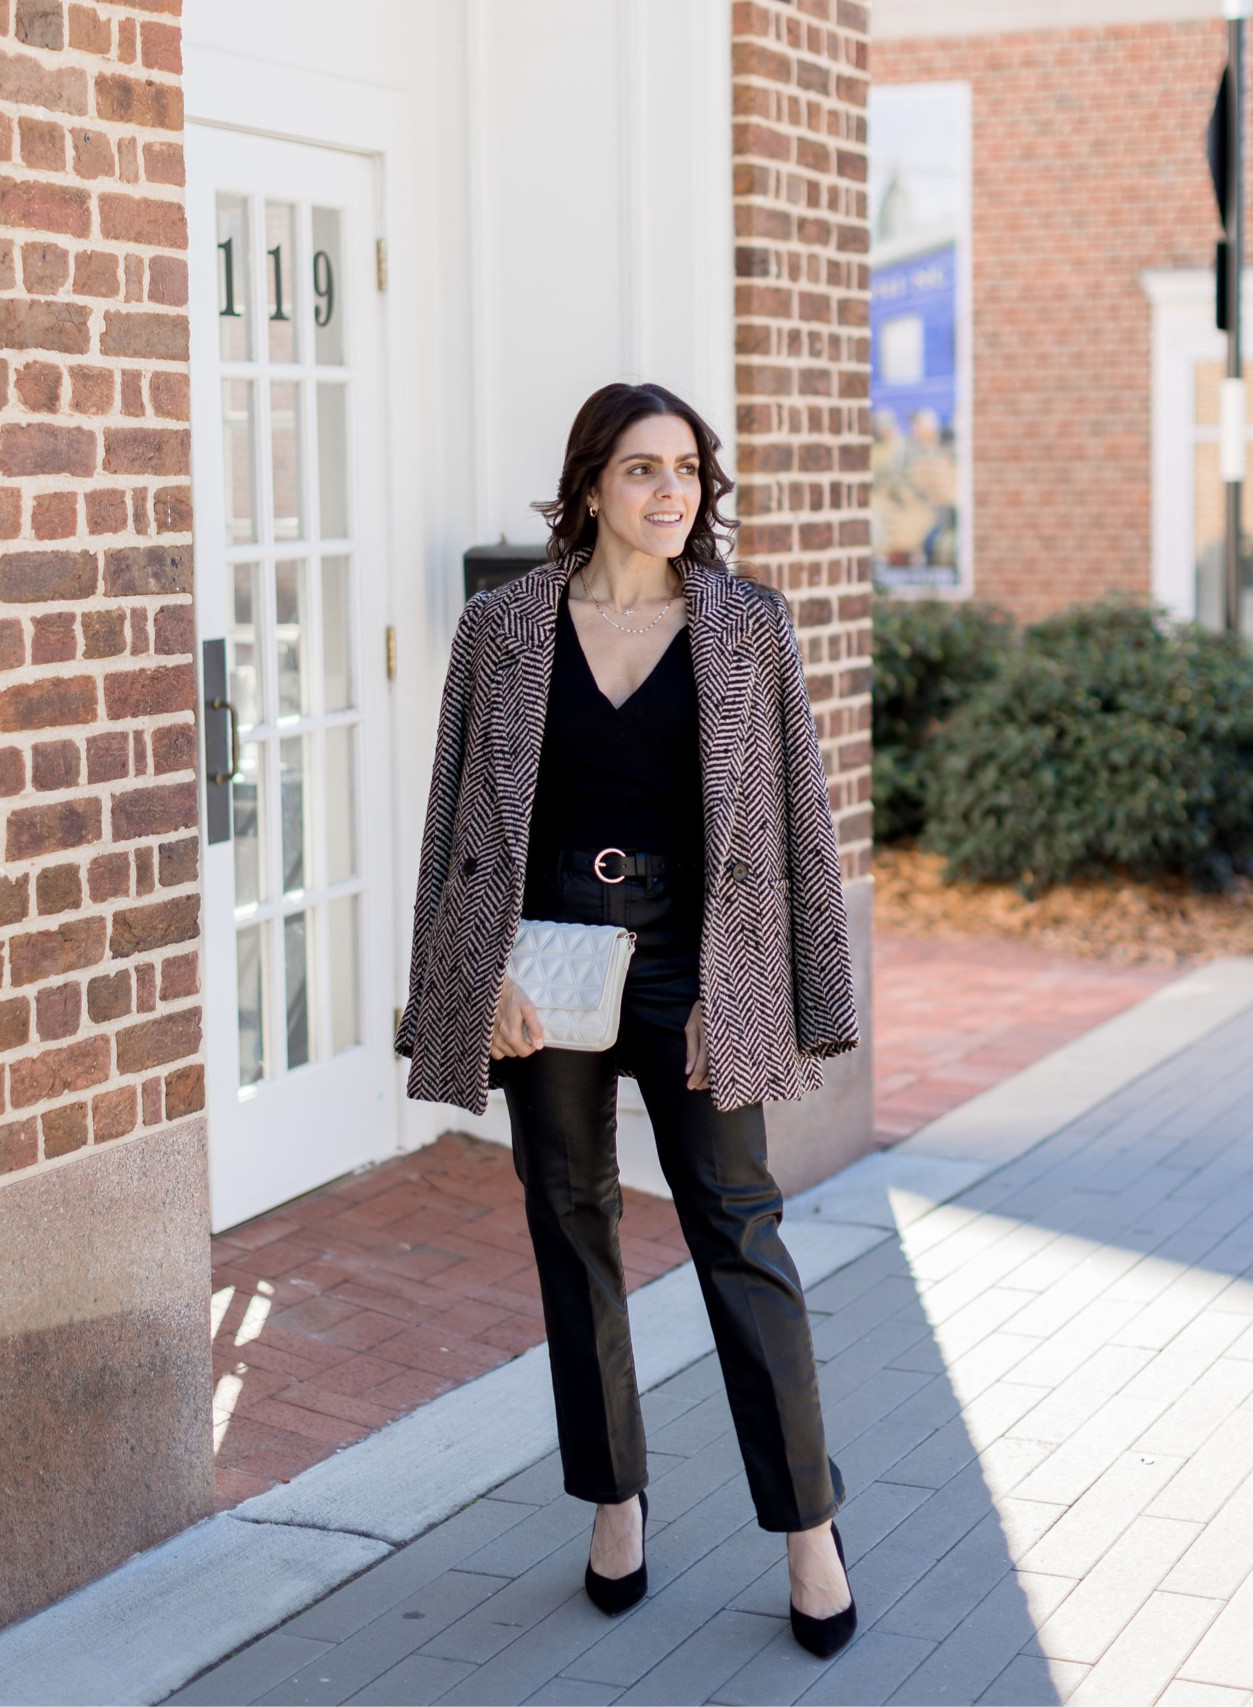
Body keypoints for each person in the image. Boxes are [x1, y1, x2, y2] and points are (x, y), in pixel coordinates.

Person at [396, 382, 860, 1658]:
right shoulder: (501, 629)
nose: (673, 493)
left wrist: (768, 990)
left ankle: (807, 1528)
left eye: (690, 471)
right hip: (542, 959)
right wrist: (468, 971)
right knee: (571, 1224)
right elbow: (455, 826)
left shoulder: (746, 625)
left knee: (738, 1233)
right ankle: (613, 1500)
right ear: (590, 482)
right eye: (645, 469)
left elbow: (793, 827)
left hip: (696, 966)